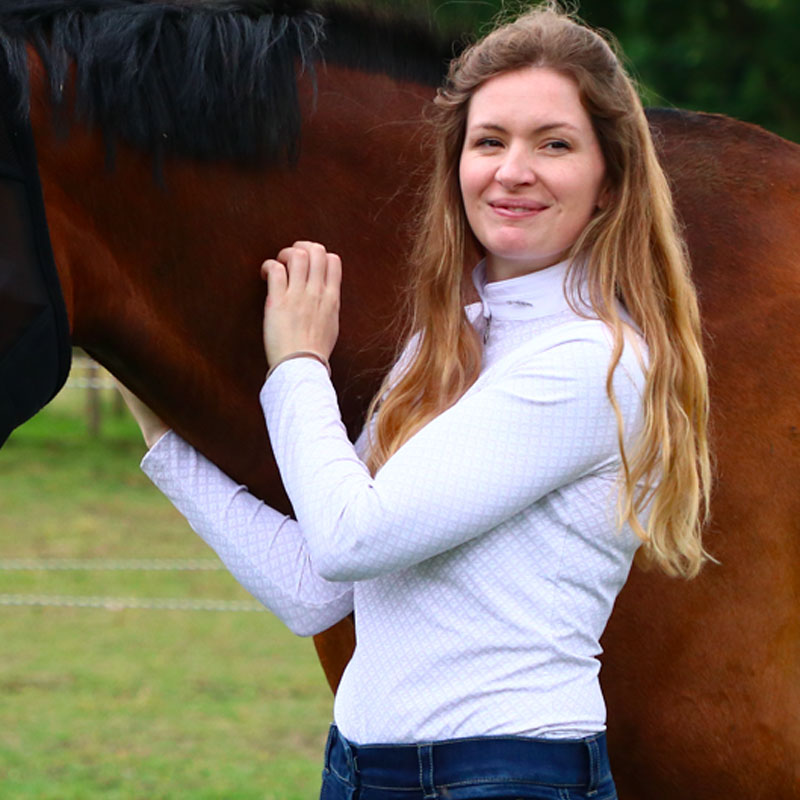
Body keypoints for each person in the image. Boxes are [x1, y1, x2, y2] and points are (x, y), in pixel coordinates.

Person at [120, 3, 710, 798]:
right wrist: (160, 430)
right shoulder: (445, 347)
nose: (512, 170)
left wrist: (296, 364)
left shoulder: (592, 362)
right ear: (457, 164)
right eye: (489, 141)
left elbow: (351, 539)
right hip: (362, 768)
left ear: (610, 183)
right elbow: (314, 591)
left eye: (555, 144)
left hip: (509, 776)